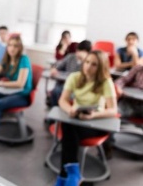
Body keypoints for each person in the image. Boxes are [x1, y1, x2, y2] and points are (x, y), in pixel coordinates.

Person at [55, 50, 117, 186]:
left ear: (100, 67)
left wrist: (93, 115)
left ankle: (64, 176)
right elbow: (62, 101)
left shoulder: (106, 81)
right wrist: (70, 109)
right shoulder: (74, 77)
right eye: (87, 62)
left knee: (68, 132)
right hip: (77, 118)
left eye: (94, 64)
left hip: (96, 123)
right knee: (68, 126)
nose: (88, 66)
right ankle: (73, 174)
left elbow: (113, 110)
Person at [49, 40, 92, 107]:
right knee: (56, 91)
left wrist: (84, 61)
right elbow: (59, 65)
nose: (78, 53)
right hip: (64, 83)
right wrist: (55, 69)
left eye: (81, 52)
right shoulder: (70, 56)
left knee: (71, 96)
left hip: (78, 87)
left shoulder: (89, 62)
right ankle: (55, 110)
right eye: (78, 51)